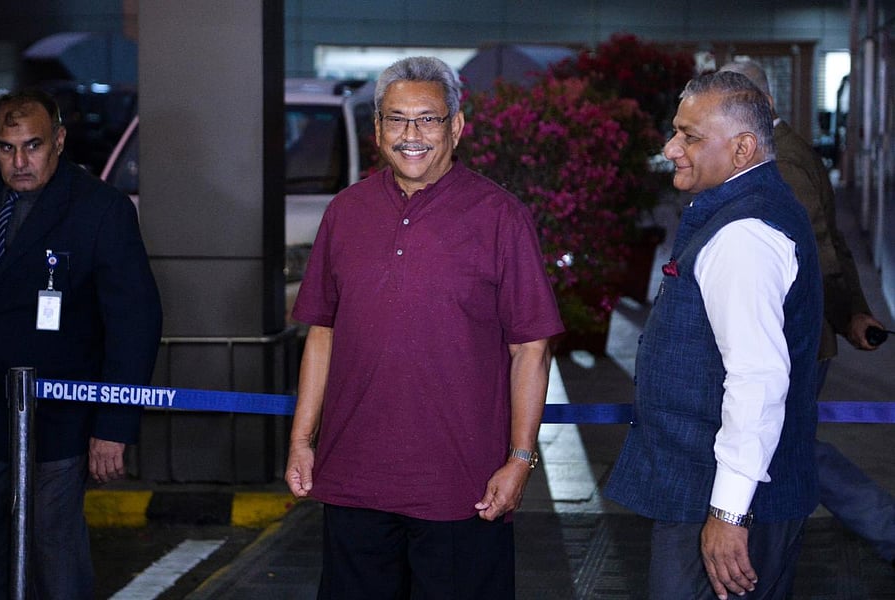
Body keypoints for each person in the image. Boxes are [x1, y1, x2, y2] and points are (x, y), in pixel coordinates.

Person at [284, 56, 563, 599]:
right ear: (377, 129)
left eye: (428, 119)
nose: (411, 135)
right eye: (396, 119)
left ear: (456, 127)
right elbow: (322, 333)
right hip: (354, 481)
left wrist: (519, 459)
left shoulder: (501, 216)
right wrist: (301, 441)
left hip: (463, 490)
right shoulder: (345, 212)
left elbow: (531, 348)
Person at [605, 71, 823, 600]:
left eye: (690, 137)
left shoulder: (744, 233)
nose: (670, 148)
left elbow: (757, 379)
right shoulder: (744, 211)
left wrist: (728, 513)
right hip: (720, 496)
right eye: (675, 131)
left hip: (720, 503)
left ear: (743, 148)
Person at [720, 59, 895, 569]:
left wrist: (848, 314)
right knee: (786, 447)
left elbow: (815, 251)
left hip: (789, 339)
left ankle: (882, 526)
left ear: (762, 105)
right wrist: (853, 312)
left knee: (789, 449)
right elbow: (832, 241)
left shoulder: (780, 162)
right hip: (799, 335)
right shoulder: (786, 150)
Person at [0, 90, 162, 598]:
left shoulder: (100, 209)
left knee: (55, 552)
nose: (19, 162)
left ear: (60, 141)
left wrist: (113, 425)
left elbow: (134, 323)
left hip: (59, 420)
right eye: (6, 148)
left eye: (33, 146)